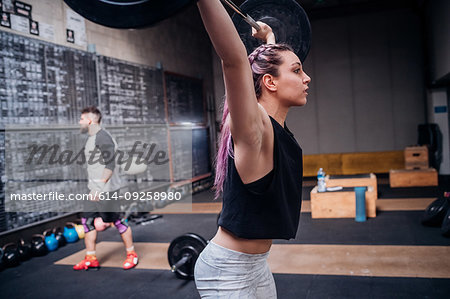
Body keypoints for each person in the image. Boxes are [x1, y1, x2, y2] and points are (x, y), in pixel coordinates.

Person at [194, 0, 311, 298]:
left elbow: (260, 70)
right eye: (297, 71)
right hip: (227, 271)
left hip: (256, 265)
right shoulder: (252, 128)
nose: (306, 78)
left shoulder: (272, 125)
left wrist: (269, 40)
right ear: (270, 82)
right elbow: (233, 61)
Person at [73, 106, 138, 271]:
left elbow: (110, 164)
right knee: (87, 222)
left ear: (89, 120)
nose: (79, 122)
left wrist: (99, 186)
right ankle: (91, 258)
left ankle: (132, 254)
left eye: (81, 119)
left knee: (117, 221)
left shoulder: (103, 138)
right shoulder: (92, 138)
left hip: (107, 190)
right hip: (94, 190)